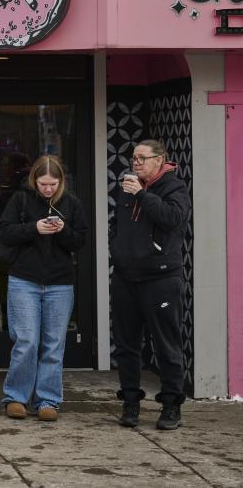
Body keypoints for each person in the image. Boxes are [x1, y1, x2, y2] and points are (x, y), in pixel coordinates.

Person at [0, 155, 87, 422]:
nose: (48, 189)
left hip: (60, 282)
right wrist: (34, 228)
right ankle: (16, 397)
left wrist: (63, 230)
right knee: (26, 340)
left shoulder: (71, 204)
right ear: (34, 180)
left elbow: (80, 241)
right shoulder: (21, 200)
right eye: (43, 183)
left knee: (54, 344)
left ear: (61, 182)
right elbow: (5, 232)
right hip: (24, 279)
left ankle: (48, 400)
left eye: (53, 184)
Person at [111, 139, 191, 430]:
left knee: (166, 344)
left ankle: (171, 406)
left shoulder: (174, 188)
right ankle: (130, 402)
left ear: (160, 160)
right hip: (125, 277)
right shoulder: (127, 187)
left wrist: (143, 194)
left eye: (142, 158)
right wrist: (117, 250)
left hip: (160, 278)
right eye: (134, 158)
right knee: (126, 345)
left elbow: (173, 218)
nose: (136, 163)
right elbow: (118, 225)